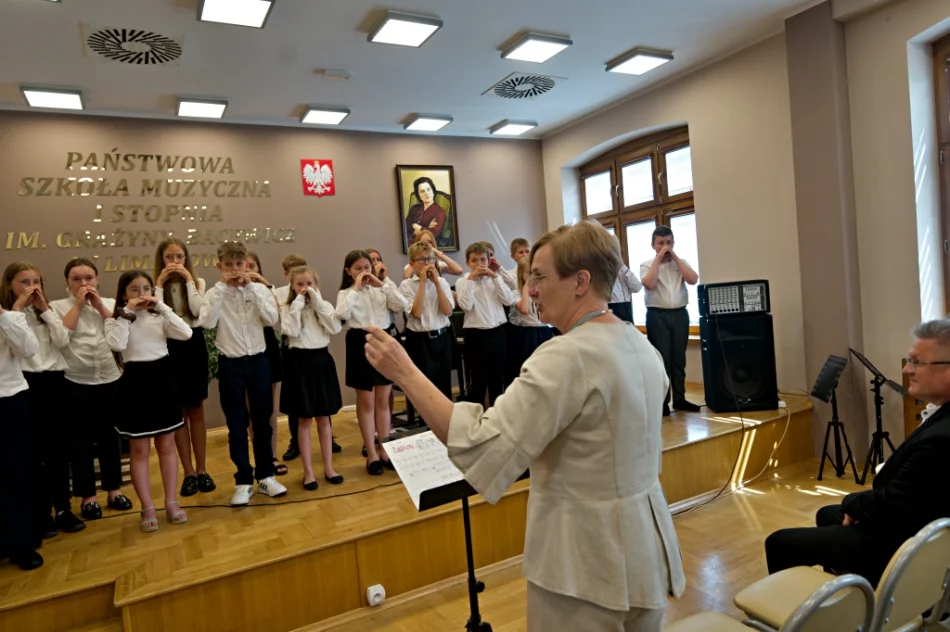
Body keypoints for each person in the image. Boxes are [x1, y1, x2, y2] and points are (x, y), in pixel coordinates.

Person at [364, 221, 685, 631]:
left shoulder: (565, 355)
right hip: (645, 551)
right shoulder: (640, 343)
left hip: (583, 564)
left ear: (580, 282)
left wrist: (406, 373)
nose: (530, 290)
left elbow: (480, 442)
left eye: (539, 277)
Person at [764, 318, 950, 586]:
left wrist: (852, 501)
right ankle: (847, 591)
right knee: (827, 514)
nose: (907, 369)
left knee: (780, 542)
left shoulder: (940, 439)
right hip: (914, 518)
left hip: (907, 543)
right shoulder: (941, 416)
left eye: (916, 362)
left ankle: (829, 605)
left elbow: (893, 503)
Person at [0, 262, 85, 538]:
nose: (32, 287)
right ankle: (41, 511)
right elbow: (21, 351)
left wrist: (45, 309)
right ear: (9, 285)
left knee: (58, 449)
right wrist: (19, 308)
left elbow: (62, 341)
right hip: (26, 383)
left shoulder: (45, 312)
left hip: (54, 381)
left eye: (36, 281)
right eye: (24, 282)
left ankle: (63, 508)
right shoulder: (7, 314)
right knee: (33, 453)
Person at [199, 242, 287, 507]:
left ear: (247, 265)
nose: (235, 269)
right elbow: (207, 322)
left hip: (259, 361)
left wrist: (252, 288)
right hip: (231, 364)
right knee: (237, 424)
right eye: (229, 265)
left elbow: (271, 319)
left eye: (239, 264)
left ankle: (266, 476)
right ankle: (243, 481)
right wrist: (221, 289)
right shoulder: (214, 293)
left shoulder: (259, 289)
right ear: (220, 266)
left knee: (262, 421)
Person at [104, 271, 191, 532]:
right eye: (134, 289)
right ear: (124, 294)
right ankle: (147, 506)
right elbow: (117, 344)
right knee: (140, 450)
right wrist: (126, 313)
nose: (141, 294)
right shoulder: (115, 320)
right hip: (135, 385)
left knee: (166, 445)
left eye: (146, 288)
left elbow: (186, 333)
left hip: (163, 382)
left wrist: (161, 306)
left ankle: (171, 501)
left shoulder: (159, 316)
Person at [51, 258, 133, 520]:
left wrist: (98, 305)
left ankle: (114, 491)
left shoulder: (109, 303)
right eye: (76, 279)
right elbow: (61, 339)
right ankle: (88, 497)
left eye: (88, 278)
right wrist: (78, 305)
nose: (83, 283)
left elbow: (121, 331)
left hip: (110, 377)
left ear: (97, 279)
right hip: (76, 380)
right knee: (81, 440)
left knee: (111, 437)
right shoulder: (57, 307)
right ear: (68, 282)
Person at [334, 250, 409, 475]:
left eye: (367, 267)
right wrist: (356, 288)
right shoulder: (345, 293)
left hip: (382, 339)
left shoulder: (382, 289)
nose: (364, 272)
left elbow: (402, 305)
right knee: (366, 401)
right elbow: (341, 314)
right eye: (358, 268)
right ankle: (371, 454)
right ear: (348, 271)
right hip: (359, 342)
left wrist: (382, 283)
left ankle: (385, 451)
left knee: (383, 400)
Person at [154, 238, 216, 498]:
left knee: (196, 409)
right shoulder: (155, 285)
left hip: (193, 346)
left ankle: (202, 470)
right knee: (178, 412)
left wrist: (189, 280)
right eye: (169, 257)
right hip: (168, 348)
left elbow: (197, 312)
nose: (175, 262)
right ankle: (188, 472)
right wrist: (159, 284)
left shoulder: (198, 282)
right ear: (161, 259)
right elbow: (156, 316)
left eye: (179, 256)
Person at [279, 266, 344, 490]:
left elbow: (335, 328)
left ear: (316, 284)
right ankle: (308, 472)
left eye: (309, 283)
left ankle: (329, 468)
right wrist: (298, 304)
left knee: (324, 418)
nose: (305, 288)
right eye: (300, 284)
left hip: (321, 361)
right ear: (292, 286)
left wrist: (318, 304)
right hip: (299, 364)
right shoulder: (287, 307)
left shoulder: (324, 306)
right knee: (304, 420)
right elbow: (291, 331)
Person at [639, 226, 700, 416]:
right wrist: (658, 259)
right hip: (657, 316)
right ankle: (663, 402)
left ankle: (680, 399)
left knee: (678, 359)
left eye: (668, 242)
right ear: (653, 245)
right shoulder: (647, 265)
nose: (665, 246)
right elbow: (649, 284)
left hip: (680, 314)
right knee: (662, 359)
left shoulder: (680, 263)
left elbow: (693, 279)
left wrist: (676, 258)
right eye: (661, 243)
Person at [0, 295, 41, 570]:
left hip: (9, 401)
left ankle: (21, 542)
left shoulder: (10, 318)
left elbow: (28, 350)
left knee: (17, 473)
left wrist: (6, 316)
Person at [455, 242, 516, 407]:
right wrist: (471, 279)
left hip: (498, 333)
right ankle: (478, 416)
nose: (479, 264)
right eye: (474, 260)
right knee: (478, 381)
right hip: (476, 335)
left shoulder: (495, 279)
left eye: (482, 259)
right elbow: (466, 306)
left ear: (488, 261)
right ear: (467, 263)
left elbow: (509, 300)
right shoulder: (463, 281)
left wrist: (495, 277)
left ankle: (497, 415)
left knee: (498, 379)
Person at [246, 252, 289, 477]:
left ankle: (271, 455)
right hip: (245, 346)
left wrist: (263, 284)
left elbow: (278, 314)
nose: (248, 269)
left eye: (252, 265)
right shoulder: (230, 290)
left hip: (267, 342)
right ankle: (257, 455)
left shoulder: (265, 289)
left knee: (268, 406)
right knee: (251, 407)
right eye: (244, 265)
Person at [400, 240, 456, 402]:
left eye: (431, 259)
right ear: (412, 263)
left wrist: (437, 283)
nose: (428, 263)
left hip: (442, 337)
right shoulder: (406, 285)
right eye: (422, 259)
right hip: (420, 341)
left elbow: (447, 311)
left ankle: (445, 417)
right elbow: (416, 313)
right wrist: (423, 282)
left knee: (444, 385)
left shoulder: (442, 282)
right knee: (425, 388)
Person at [505, 257, 555, 385]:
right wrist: (527, 286)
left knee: (545, 369)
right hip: (525, 334)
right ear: (521, 274)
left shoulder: (544, 291)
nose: (533, 277)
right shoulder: (516, 292)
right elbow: (524, 309)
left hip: (543, 332)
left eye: (535, 273)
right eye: (529, 273)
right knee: (524, 368)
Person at [405, 177, 448, 248]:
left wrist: (419, 228)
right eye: (422, 191)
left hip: (425, 247)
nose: (426, 193)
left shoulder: (440, 212)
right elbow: (406, 228)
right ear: (418, 195)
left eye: (428, 189)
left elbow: (433, 234)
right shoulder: (414, 208)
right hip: (408, 245)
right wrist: (426, 228)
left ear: (433, 191)